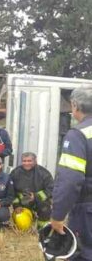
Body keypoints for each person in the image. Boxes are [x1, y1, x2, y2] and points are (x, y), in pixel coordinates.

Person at [51, 87, 92, 260]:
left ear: (75, 105)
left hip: (87, 209)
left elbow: (71, 179)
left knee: (83, 253)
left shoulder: (77, 135)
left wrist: (58, 215)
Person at [10, 152, 53, 229]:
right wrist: (16, 206)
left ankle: (42, 229)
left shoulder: (44, 173)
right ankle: (30, 219)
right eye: (24, 161)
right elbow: (10, 192)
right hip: (22, 202)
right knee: (22, 223)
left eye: (29, 161)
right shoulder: (15, 173)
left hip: (39, 201)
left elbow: (51, 189)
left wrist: (35, 196)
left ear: (35, 161)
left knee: (45, 209)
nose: (26, 163)